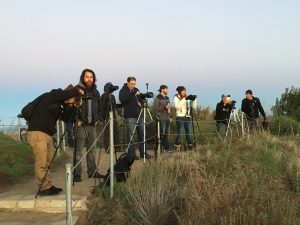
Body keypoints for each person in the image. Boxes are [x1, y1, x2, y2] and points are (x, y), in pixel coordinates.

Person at [27, 84, 84, 196]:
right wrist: (78, 90)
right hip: (37, 132)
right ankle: (43, 188)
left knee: (48, 162)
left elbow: (67, 118)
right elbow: (66, 94)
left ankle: (48, 185)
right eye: (72, 95)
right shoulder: (52, 95)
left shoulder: (59, 105)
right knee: (41, 162)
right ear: (67, 93)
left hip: (47, 134)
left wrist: (71, 105)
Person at [73, 69, 103, 182]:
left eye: (91, 77)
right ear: (83, 78)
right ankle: (77, 174)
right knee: (78, 151)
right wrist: (76, 119)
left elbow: (99, 107)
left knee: (92, 150)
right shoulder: (77, 90)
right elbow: (71, 106)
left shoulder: (96, 92)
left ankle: (92, 171)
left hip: (92, 125)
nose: (89, 79)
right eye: (87, 77)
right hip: (80, 125)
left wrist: (98, 119)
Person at [119, 76, 153, 162]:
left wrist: (140, 100)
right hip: (130, 116)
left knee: (142, 134)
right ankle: (132, 155)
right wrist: (132, 93)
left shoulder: (136, 89)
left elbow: (140, 98)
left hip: (139, 115)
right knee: (131, 136)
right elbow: (122, 99)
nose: (133, 86)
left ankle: (143, 153)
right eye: (131, 84)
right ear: (127, 83)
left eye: (134, 84)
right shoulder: (123, 90)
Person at [174, 86, 197, 151]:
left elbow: (194, 106)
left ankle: (189, 146)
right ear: (179, 92)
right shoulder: (176, 97)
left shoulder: (187, 98)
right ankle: (178, 146)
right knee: (180, 133)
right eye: (183, 91)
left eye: (185, 91)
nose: (184, 92)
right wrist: (185, 99)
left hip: (188, 117)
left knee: (189, 133)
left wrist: (194, 100)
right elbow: (177, 106)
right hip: (180, 117)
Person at [100, 82, 121, 151]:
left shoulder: (112, 96)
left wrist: (121, 105)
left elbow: (114, 106)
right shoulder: (103, 96)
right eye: (110, 87)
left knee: (116, 131)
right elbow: (102, 107)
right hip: (106, 116)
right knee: (107, 133)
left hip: (113, 115)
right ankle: (108, 148)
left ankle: (117, 147)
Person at [153, 85, 171, 152]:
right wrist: (164, 108)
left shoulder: (167, 97)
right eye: (167, 89)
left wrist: (170, 115)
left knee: (166, 134)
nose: (168, 91)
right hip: (161, 118)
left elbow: (168, 107)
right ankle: (159, 149)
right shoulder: (158, 98)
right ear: (162, 89)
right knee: (161, 134)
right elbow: (154, 108)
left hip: (167, 118)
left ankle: (166, 148)